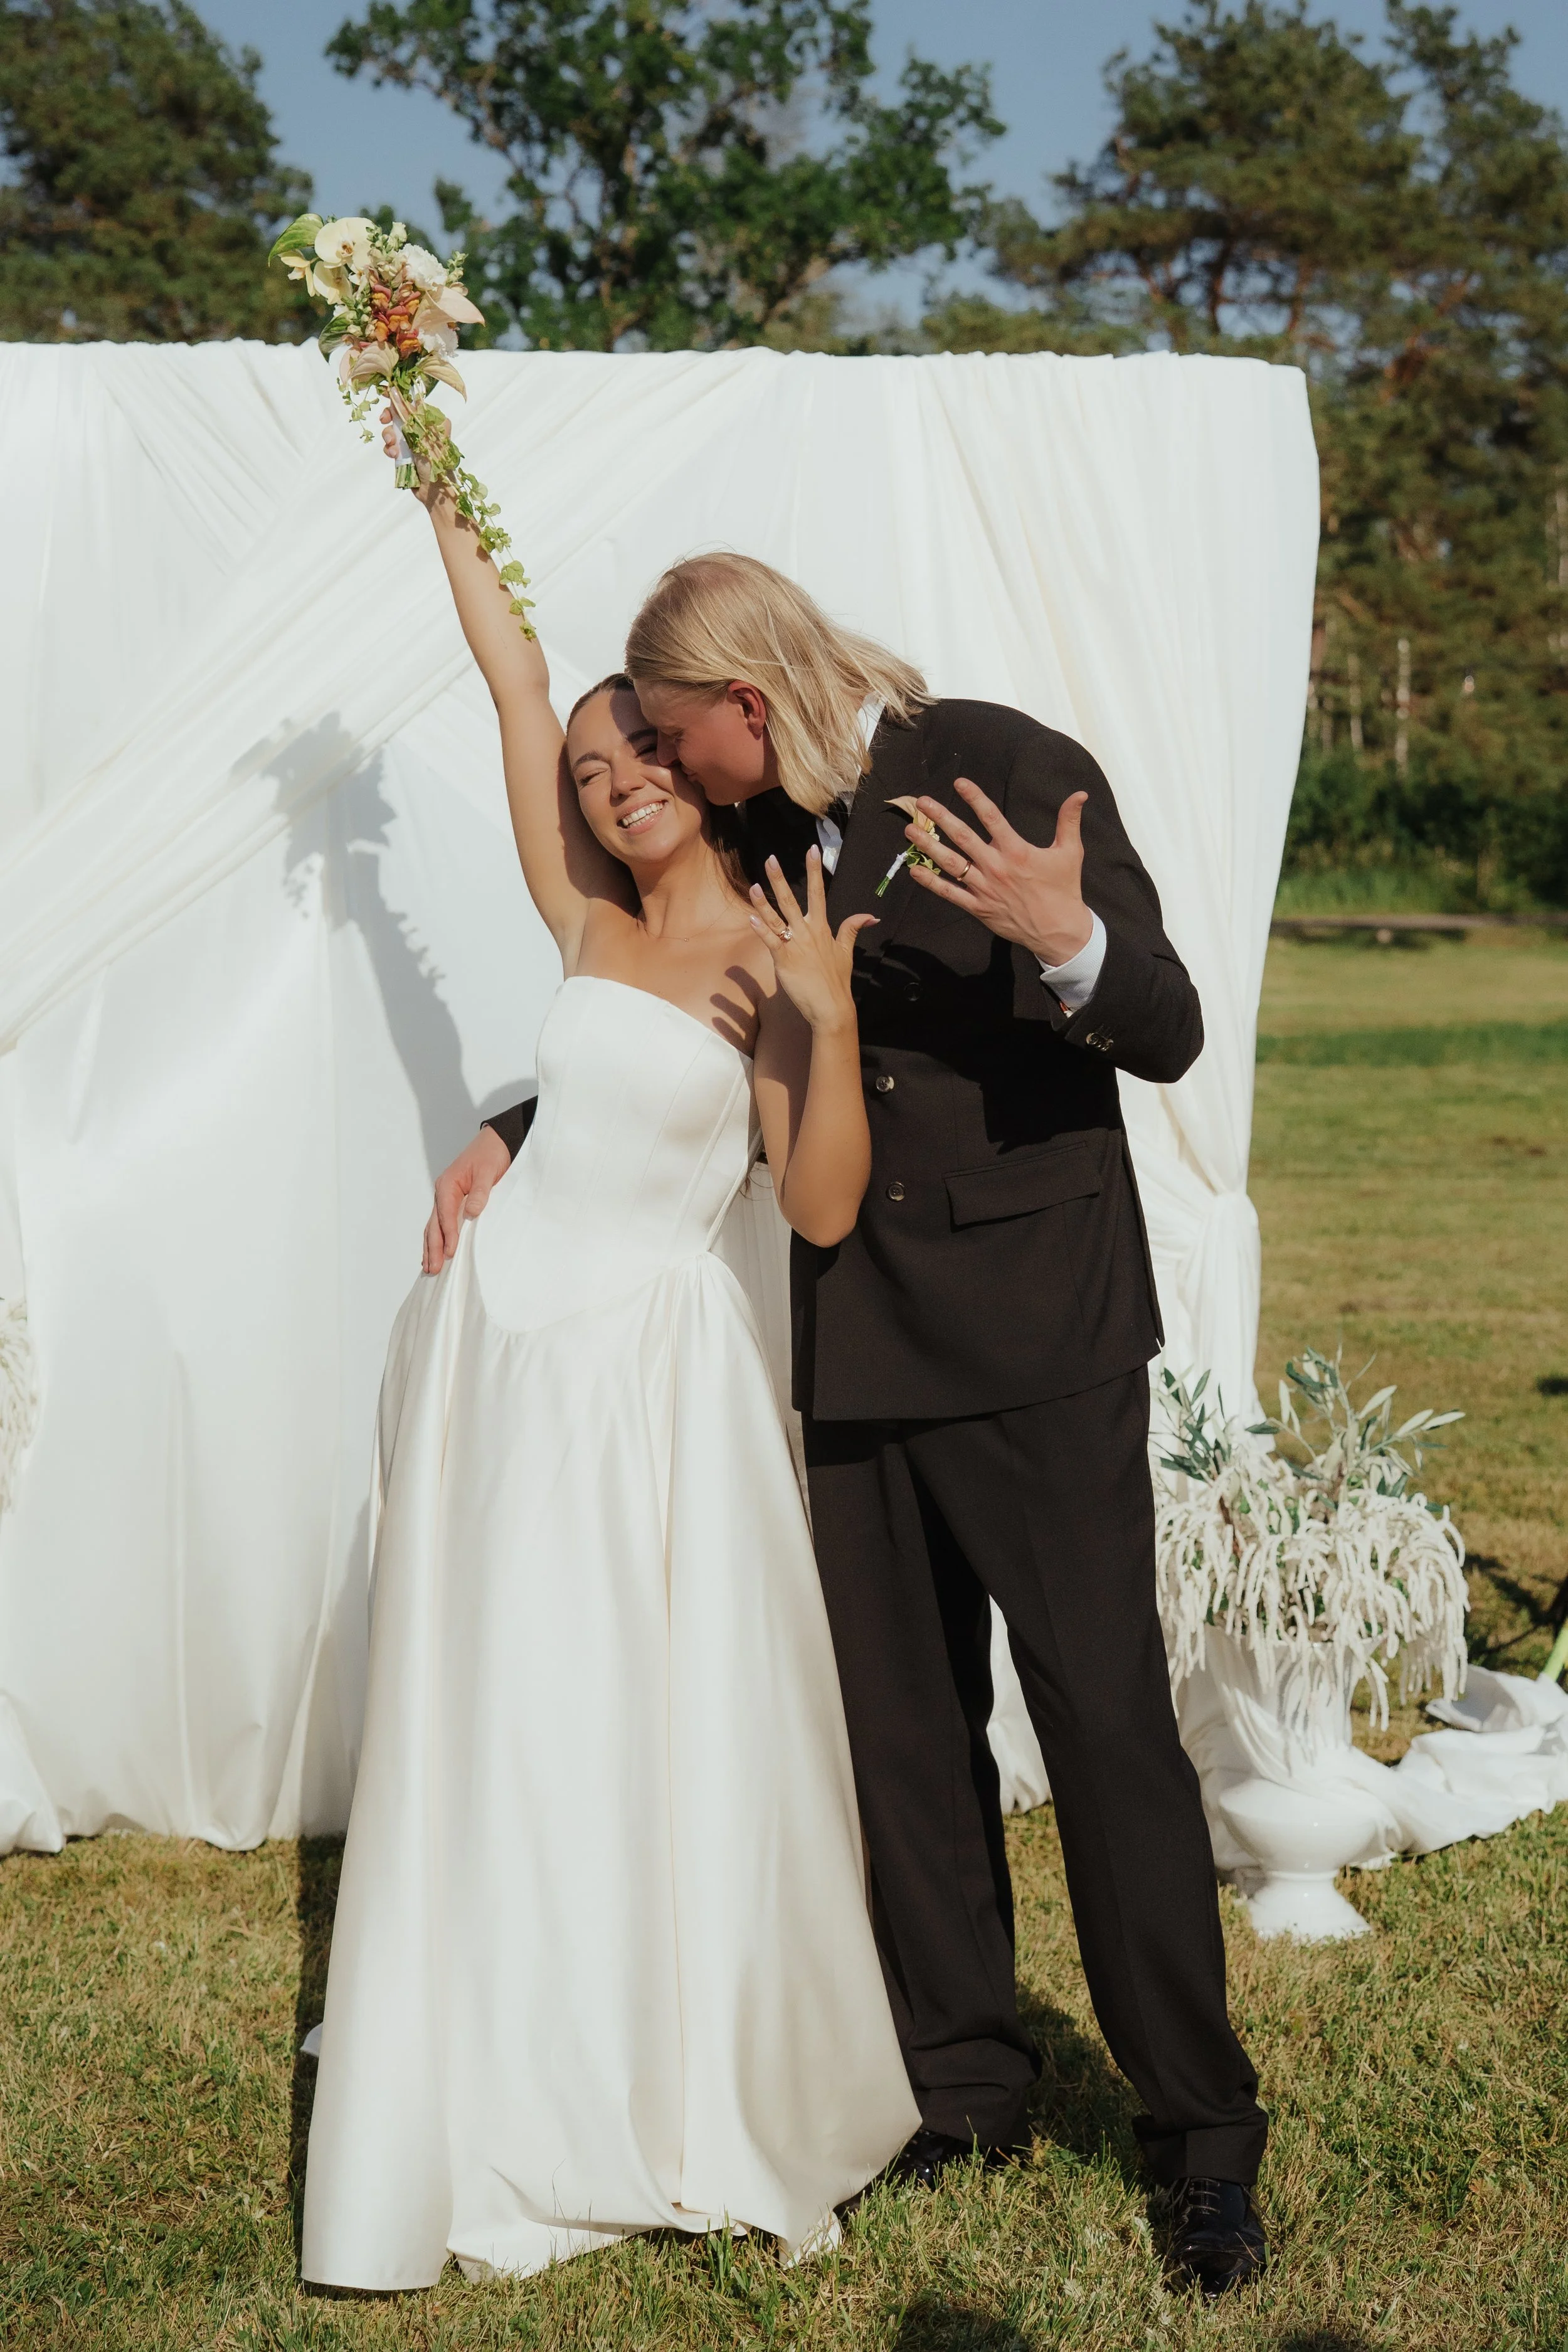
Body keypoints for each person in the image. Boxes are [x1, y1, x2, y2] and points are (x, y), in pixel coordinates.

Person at [440, 553, 1270, 2299]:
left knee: (1104, 1724)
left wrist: (1068, 938)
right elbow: (672, 1008)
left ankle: (1200, 2135)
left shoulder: (990, 757)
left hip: (1032, 1338)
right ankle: (961, 2081)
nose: (653, 770)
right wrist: (526, 1118)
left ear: (744, 706)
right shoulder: (749, 833)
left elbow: (1171, 1023)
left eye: (671, 734)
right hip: (830, 1343)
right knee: (898, 1743)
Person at [299, 449, 919, 2289]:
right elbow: (510, 678)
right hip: (498, 1350)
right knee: (499, 1714)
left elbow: (815, 1211)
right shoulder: (586, 922)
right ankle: (493, 2051)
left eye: (635, 755)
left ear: (695, 755)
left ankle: (660, 2081)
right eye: (588, 774)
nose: (612, 782)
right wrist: (438, 494)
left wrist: (825, 1015)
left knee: (644, 1718)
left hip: (649, 1379)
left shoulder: (772, 946)